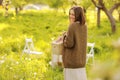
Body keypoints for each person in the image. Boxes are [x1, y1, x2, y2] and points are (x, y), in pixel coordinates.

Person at [62, 6, 87, 80]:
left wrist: (64, 36)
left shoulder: (72, 26)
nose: (71, 16)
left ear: (78, 15)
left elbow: (69, 43)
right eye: (70, 14)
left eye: (73, 14)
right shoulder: (84, 26)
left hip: (72, 61)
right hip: (81, 60)